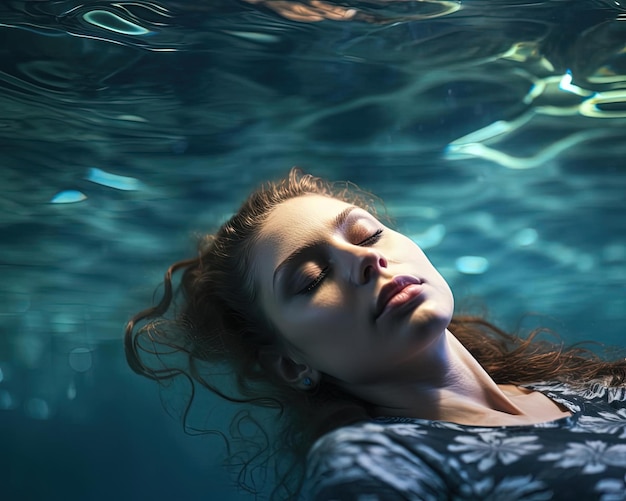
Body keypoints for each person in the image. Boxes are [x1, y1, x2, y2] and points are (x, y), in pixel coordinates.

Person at [125, 168, 626, 500]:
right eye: (312, 279)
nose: (366, 259)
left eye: (367, 234)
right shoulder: (377, 463)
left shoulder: (598, 388)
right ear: (290, 362)